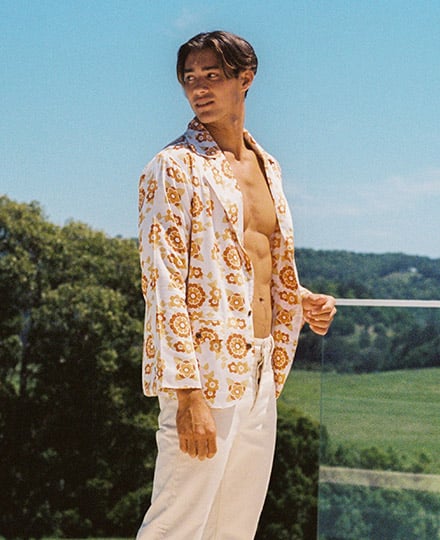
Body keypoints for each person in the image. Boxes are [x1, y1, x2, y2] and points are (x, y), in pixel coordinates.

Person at [136, 30, 336, 540]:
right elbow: (162, 284)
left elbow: (252, 262)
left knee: (235, 527)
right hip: (203, 372)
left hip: (262, 369)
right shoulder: (174, 167)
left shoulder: (268, 167)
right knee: (175, 526)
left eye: (212, 75)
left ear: (246, 79)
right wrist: (187, 394)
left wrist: (300, 300)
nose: (198, 88)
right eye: (189, 78)